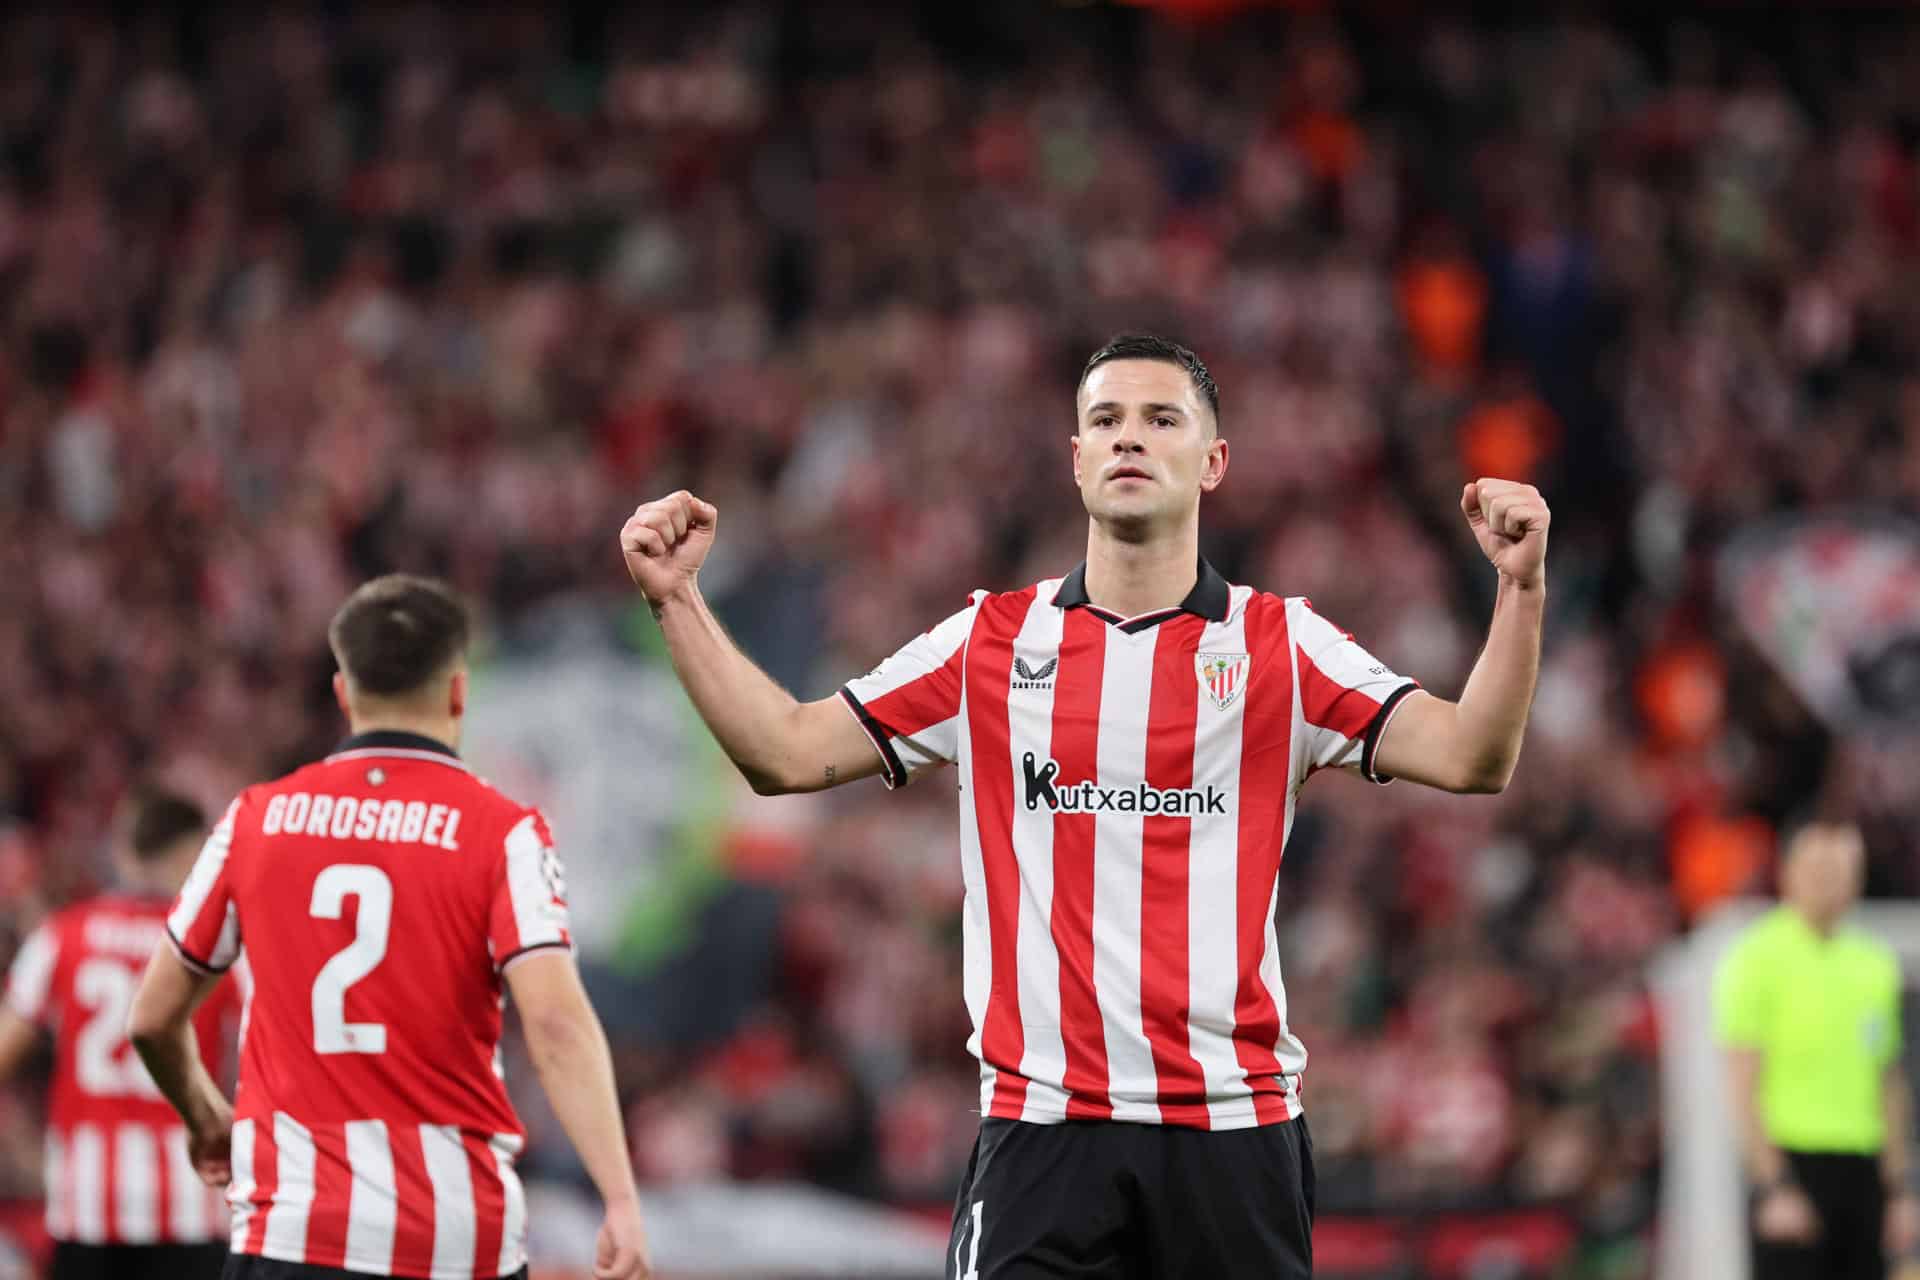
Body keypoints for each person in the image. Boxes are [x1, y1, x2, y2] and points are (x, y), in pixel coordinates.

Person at [619, 333, 1550, 1277]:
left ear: (1213, 462)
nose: (1129, 440)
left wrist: (1519, 589)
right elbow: (785, 752)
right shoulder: (988, 643)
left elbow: (1474, 756)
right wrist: (676, 600)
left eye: (1161, 420)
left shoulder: (1283, 648)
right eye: (1105, 420)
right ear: (1076, 460)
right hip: (1044, 1132)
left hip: (1230, 1133)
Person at [126, 574, 653, 1280]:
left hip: (289, 1230)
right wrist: (619, 1198)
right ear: (459, 693)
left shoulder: (255, 820)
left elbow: (154, 1018)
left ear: (344, 694)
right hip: (452, 1241)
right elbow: (556, 1023)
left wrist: (205, 1116)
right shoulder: (505, 834)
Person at [0, 787, 243, 1280]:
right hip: (188, 1201)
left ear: (124, 849)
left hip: (86, 1202)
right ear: (191, 851)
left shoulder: (62, 935)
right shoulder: (218, 945)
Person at [1716, 821, 1919, 1280]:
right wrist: (1773, 1185)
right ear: (1789, 872)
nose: (1830, 880)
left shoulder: (1876, 965)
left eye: (1842, 868)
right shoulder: (1755, 957)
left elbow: (1889, 1083)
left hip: (1863, 1169)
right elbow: (1742, 1082)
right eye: (1818, 867)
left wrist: (1899, 1189)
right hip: (1794, 1164)